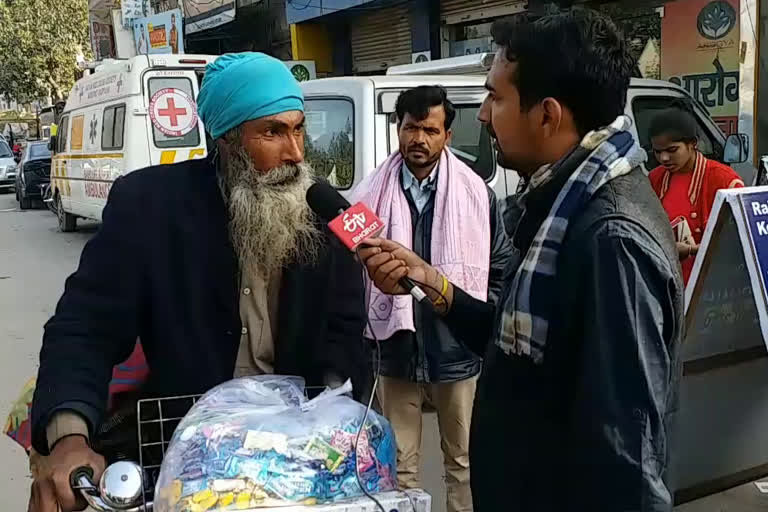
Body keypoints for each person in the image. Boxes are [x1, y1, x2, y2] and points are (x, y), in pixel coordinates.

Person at [359, 10, 684, 511]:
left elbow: (628, 459)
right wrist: (430, 281)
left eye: (495, 96)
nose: (484, 115)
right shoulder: (559, 202)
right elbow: (510, 341)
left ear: (548, 114)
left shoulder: (611, 239)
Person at [28, 52, 368, 512]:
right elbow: (84, 329)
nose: (296, 153)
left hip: (299, 468)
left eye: (299, 129)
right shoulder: (149, 206)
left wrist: (340, 421)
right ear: (227, 139)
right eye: (273, 132)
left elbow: (344, 339)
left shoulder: (329, 215)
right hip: (182, 466)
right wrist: (69, 439)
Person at [352, 86, 511, 512]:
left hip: (456, 350)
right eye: (409, 128)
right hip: (395, 348)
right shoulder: (369, 194)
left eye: (429, 129)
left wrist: (477, 319)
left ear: (447, 135)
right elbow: (348, 272)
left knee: (462, 462)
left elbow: (499, 268)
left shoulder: (478, 194)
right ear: (397, 129)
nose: (418, 139)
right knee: (399, 464)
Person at [648, 104, 745, 284]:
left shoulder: (724, 180)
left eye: (672, 150)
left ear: (693, 143)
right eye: (657, 151)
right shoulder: (655, 179)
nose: (664, 158)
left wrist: (691, 250)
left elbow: (739, 244)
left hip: (710, 288)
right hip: (667, 284)